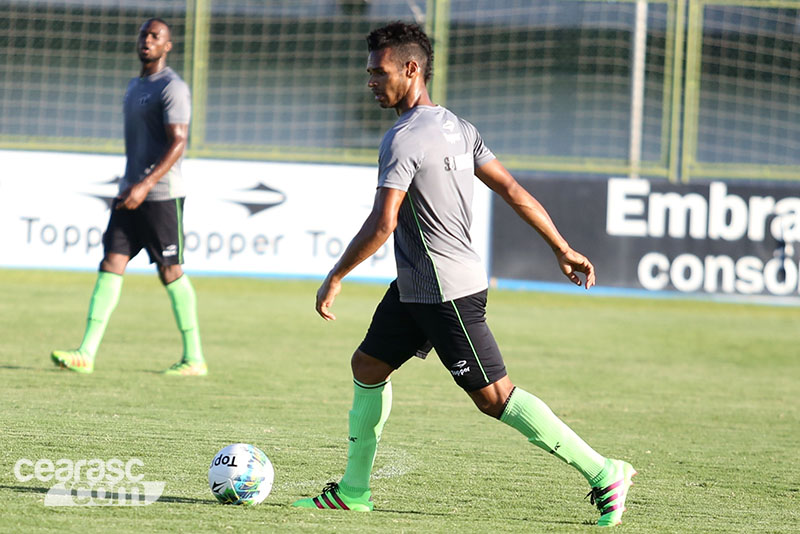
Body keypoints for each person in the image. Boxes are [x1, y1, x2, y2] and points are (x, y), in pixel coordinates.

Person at [291, 22, 635, 526]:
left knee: (495, 398)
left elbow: (384, 222)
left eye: (378, 71)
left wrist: (336, 274)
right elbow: (514, 190)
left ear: (411, 69)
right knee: (367, 366)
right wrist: (561, 248)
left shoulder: (403, 138)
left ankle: (605, 471)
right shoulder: (458, 126)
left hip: (444, 293)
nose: (370, 80)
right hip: (418, 286)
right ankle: (354, 490)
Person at [51, 18, 206, 376]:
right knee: (111, 263)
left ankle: (194, 358)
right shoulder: (135, 86)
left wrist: (145, 185)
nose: (147, 40)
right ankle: (85, 353)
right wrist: (130, 184)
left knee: (170, 270)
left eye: (156, 36)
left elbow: (179, 142)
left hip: (161, 195)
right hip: (131, 191)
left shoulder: (173, 87)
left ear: (168, 46)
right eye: (144, 35)